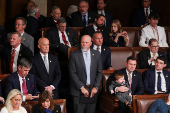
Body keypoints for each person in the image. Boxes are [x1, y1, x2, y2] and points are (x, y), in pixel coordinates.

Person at [69, 35, 102, 113]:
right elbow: (72, 73)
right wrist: (81, 87)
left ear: (91, 43)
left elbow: (99, 72)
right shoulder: (74, 55)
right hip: (78, 91)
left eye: (86, 42)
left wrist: (96, 87)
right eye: (82, 42)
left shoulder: (97, 54)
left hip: (92, 91)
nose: (84, 44)